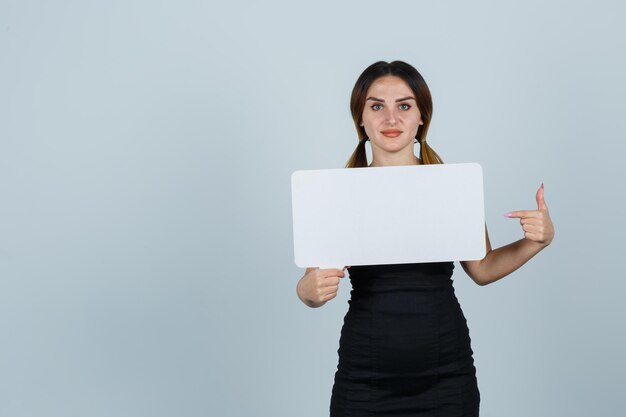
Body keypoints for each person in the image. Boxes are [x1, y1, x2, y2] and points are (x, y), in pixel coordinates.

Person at [295, 60, 555, 416]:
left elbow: (482, 269)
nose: (391, 119)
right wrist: (306, 292)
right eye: (377, 106)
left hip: (446, 377)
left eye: (404, 106)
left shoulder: (450, 185)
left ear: (421, 117)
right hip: (364, 379)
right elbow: (312, 286)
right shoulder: (338, 192)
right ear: (361, 117)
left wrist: (535, 242)